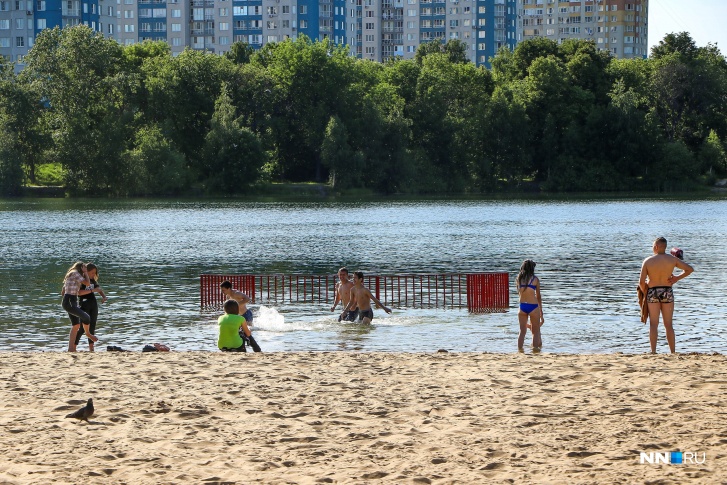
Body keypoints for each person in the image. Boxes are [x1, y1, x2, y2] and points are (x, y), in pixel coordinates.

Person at [639, 237, 694, 354]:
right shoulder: (672, 260)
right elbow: (689, 269)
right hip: (667, 291)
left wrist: (645, 293)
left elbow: (641, 282)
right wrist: (676, 279)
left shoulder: (648, 261)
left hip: (652, 291)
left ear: (656, 247)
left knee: (653, 324)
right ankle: (672, 352)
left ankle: (653, 351)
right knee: (668, 324)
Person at [61, 262, 99, 352]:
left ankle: (71, 349)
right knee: (86, 317)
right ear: (81, 268)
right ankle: (88, 334)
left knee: (76, 325)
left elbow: (63, 291)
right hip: (70, 301)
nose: (85, 271)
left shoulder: (71, 275)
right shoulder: (75, 273)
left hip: (70, 300)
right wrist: (85, 273)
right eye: (84, 269)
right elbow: (87, 283)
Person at [219, 280, 262, 352]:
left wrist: (237, 304)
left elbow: (247, 298)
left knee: (248, 331)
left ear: (229, 288)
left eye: (223, 290)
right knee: (240, 332)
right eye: (222, 290)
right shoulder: (228, 296)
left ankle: (252, 346)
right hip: (238, 316)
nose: (222, 292)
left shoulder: (236, 293)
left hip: (246, 314)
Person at [73, 263, 107, 352]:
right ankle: (74, 346)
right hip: (84, 304)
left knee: (92, 326)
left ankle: (91, 348)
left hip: (93, 304)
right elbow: (79, 293)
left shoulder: (93, 281)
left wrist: (104, 296)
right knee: (81, 328)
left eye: (94, 273)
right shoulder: (82, 281)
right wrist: (92, 290)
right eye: (91, 273)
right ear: (86, 272)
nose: (93, 275)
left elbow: (98, 289)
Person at [516, 259, 544, 351]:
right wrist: (541, 311)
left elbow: (519, 294)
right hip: (533, 306)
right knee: (535, 332)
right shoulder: (535, 279)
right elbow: (538, 296)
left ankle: (519, 351)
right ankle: (535, 351)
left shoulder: (519, 279)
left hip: (522, 306)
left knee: (522, 331)